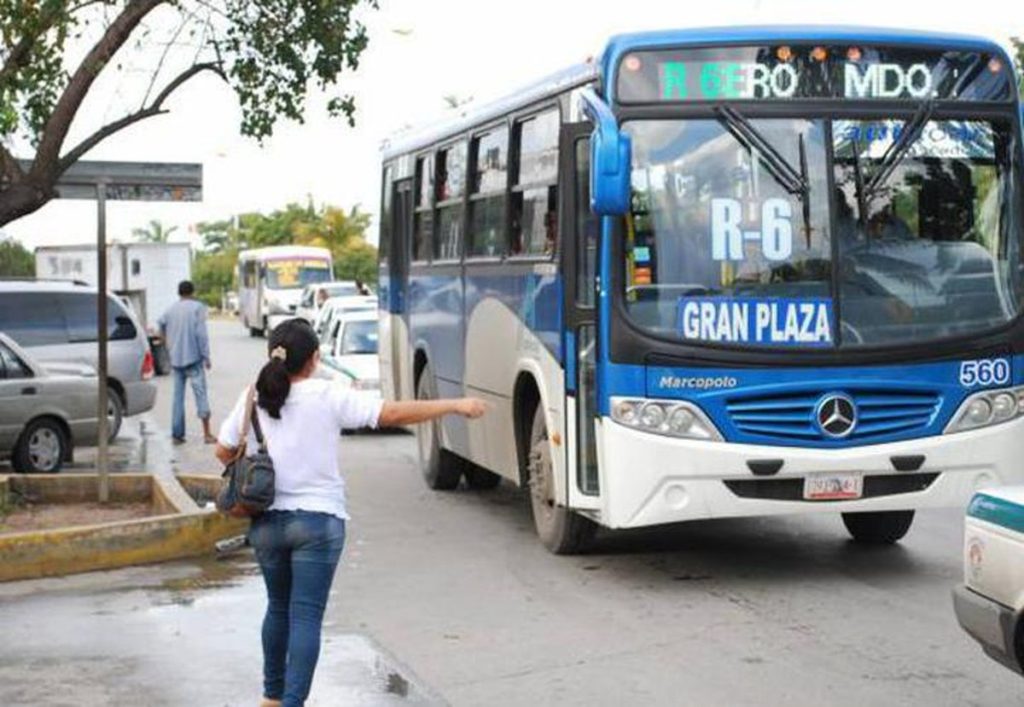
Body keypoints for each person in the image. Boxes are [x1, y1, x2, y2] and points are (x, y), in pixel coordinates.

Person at [214, 319, 486, 707]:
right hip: (318, 523)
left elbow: (223, 452)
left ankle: (271, 699)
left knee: (277, 606)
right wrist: (455, 405)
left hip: (266, 523)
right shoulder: (327, 395)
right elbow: (391, 414)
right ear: (314, 358)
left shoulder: (253, 397)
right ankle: (291, 704)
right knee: (306, 615)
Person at [158, 280, 214, 444]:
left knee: (177, 398)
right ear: (192, 291)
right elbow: (201, 335)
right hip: (194, 359)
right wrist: (206, 356)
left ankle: (177, 435)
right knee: (201, 395)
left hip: (176, 360)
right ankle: (207, 434)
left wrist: (167, 344)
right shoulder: (198, 308)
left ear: (179, 293)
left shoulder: (170, 309)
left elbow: (160, 324)